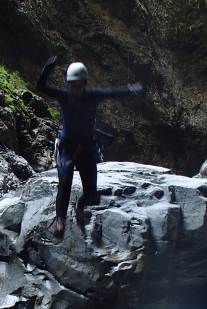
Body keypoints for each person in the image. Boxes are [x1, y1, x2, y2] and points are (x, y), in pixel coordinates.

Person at [36, 56, 143, 238]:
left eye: (79, 85)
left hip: (86, 147)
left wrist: (130, 89)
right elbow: (41, 87)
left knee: (92, 193)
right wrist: (47, 69)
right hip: (67, 148)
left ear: (85, 83)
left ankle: (80, 205)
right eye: (73, 85)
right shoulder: (64, 96)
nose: (76, 88)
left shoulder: (93, 96)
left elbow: (112, 92)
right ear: (69, 84)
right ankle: (60, 221)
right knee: (64, 184)